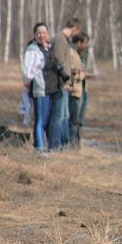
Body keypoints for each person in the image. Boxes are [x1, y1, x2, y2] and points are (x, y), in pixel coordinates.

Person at [21, 23, 58, 153]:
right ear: (35, 35)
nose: (42, 35)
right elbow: (27, 69)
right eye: (39, 33)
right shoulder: (32, 49)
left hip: (51, 88)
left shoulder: (49, 48)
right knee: (40, 119)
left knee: (47, 120)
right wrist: (27, 81)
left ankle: (46, 146)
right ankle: (39, 147)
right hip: (39, 88)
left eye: (44, 33)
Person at [48, 18, 82, 150]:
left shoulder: (64, 40)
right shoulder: (60, 40)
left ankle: (63, 144)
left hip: (63, 84)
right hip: (60, 84)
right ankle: (55, 145)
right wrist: (64, 82)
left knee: (64, 117)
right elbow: (59, 63)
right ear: (75, 29)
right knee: (58, 117)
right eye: (77, 32)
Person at [68, 32, 92, 148]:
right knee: (74, 121)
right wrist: (83, 74)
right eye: (85, 43)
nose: (86, 46)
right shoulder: (71, 54)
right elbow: (71, 73)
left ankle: (77, 144)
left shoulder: (79, 55)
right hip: (75, 92)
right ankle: (73, 145)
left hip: (82, 90)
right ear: (78, 43)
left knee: (79, 121)